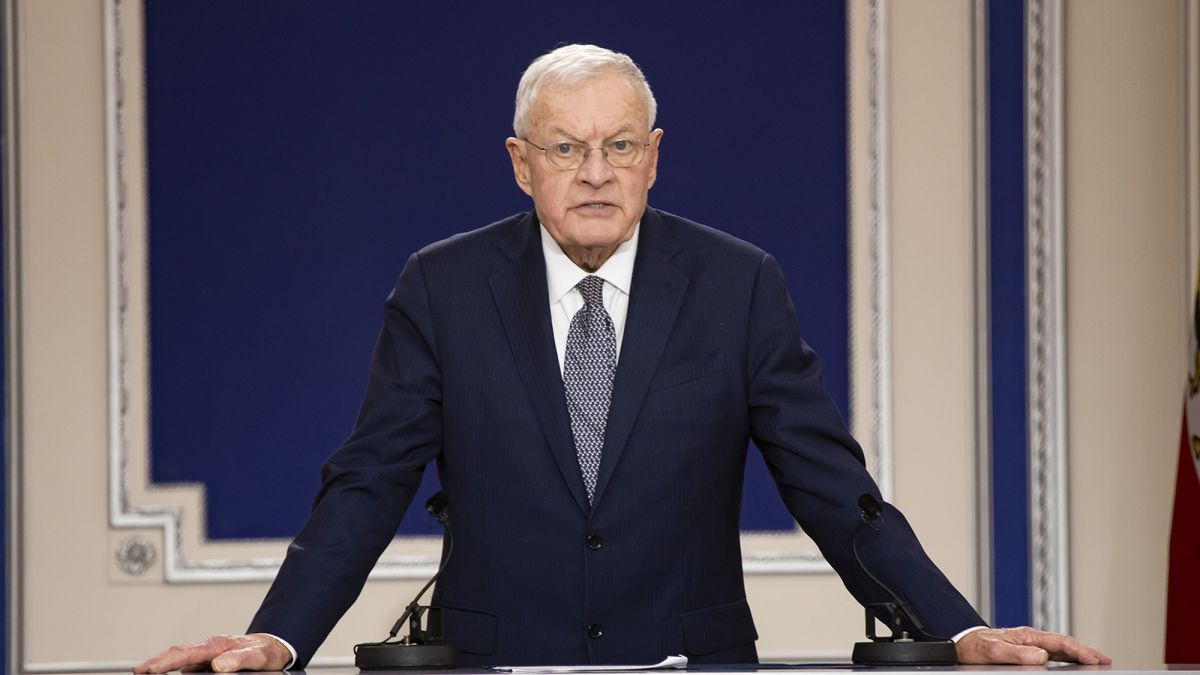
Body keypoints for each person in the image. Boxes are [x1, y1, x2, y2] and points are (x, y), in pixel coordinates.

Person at [135, 44, 1109, 672]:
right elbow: (367, 483)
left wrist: (959, 628)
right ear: (521, 164)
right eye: (566, 149)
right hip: (495, 664)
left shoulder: (736, 283)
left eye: (620, 146)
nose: (596, 172)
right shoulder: (443, 286)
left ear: (654, 156)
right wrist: (278, 636)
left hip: (690, 664)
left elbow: (833, 491)